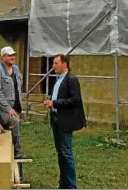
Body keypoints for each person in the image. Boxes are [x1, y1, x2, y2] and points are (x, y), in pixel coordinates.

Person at [44, 54, 86, 189]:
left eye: (56, 63)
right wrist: (51, 102)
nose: (53, 66)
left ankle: (71, 186)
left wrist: (54, 102)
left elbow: (75, 100)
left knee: (66, 153)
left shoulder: (71, 79)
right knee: (60, 153)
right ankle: (63, 183)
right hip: (56, 120)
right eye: (53, 63)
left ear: (65, 64)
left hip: (65, 121)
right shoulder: (59, 79)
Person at [0, 46, 25, 158]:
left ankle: (9, 150)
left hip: (14, 106)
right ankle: (17, 151)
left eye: (13, 55)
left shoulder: (16, 69)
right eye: (9, 55)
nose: (12, 57)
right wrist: (8, 108)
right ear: (3, 57)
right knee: (14, 121)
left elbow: (18, 87)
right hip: (0, 108)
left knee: (12, 124)